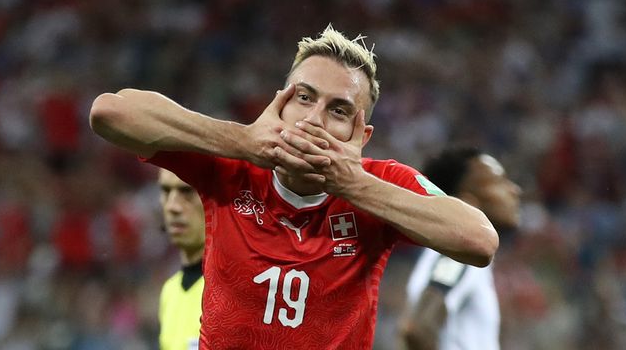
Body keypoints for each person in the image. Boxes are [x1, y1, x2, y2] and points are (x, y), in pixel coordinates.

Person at [89, 25, 499, 349]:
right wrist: (241, 140)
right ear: (279, 103)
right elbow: (110, 112)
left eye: (338, 110)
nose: (314, 119)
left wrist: (354, 185)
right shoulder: (232, 164)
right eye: (304, 97)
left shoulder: (379, 182)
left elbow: (478, 240)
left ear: (362, 137)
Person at [400, 147, 522, 350]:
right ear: (467, 202)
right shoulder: (459, 254)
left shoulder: (455, 252)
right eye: (499, 182)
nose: (514, 190)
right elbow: (417, 329)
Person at [157, 168, 206, 350]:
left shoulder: (237, 290)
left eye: (187, 191)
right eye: (166, 191)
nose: (172, 206)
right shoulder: (169, 292)